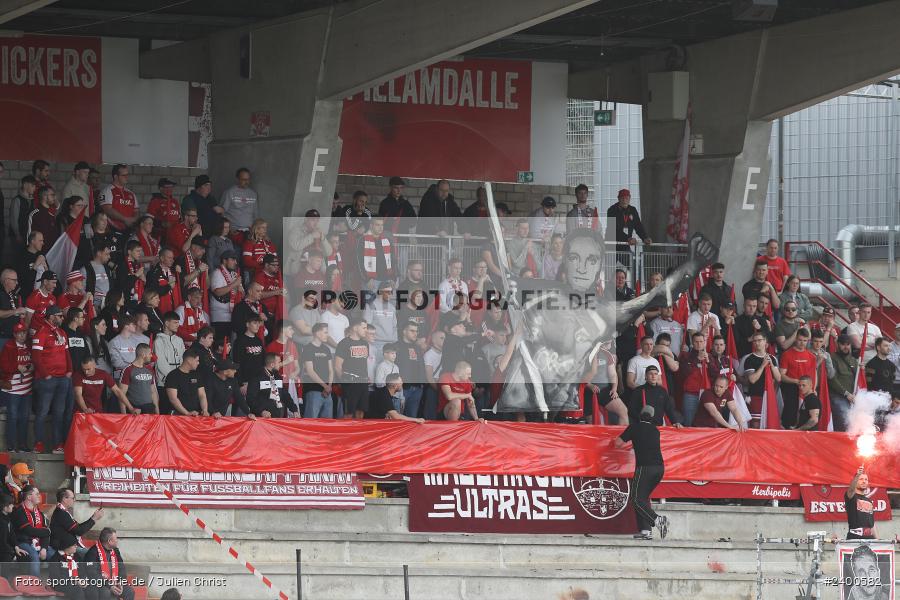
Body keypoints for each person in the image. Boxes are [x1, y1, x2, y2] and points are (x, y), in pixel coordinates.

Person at [614, 405, 668, 541]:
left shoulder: (634, 427)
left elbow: (617, 443)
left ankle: (658, 520)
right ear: (652, 418)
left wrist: (629, 444)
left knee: (636, 499)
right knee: (643, 498)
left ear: (640, 415)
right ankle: (645, 531)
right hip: (659, 469)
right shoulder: (656, 431)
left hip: (645, 467)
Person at [32, 305, 72, 453]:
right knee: (42, 412)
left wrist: (70, 370)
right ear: (51, 316)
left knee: (59, 413)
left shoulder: (62, 332)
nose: (62, 318)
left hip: (62, 378)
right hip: (46, 380)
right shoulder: (41, 333)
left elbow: (67, 354)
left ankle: (57, 444)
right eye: (59, 316)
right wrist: (46, 375)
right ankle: (39, 443)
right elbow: (36, 357)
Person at [0, 321, 32, 451]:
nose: (22, 335)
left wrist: (33, 366)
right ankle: (11, 445)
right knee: (12, 417)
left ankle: (23, 445)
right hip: (13, 389)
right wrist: (17, 367)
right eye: (19, 333)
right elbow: (3, 366)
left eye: (24, 333)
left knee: (24, 418)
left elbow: (36, 360)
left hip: (27, 388)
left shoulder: (29, 346)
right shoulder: (8, 346)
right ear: (14, 334)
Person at [779, 328, 817, 430]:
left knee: (806, 418)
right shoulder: (786, 354)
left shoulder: (811, 356)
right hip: (791, 390)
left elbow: (814, 375)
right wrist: (796, 381)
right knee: (790, 418)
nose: (802, 343)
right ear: (796, 339)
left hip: (807, 392)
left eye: (805, 341)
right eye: (800, 340)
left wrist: (813, 389)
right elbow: (781, 375)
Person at [12, 485, 54, 576]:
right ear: (29, 497)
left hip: (39, 543)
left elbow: (45, 534)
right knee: (34, 557)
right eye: (37, 494)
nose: (40, 496)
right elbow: (29, 531)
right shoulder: (19, 511)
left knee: (55, 556)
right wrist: (47, 531)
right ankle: (35, 586)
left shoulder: (39, 512)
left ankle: (55, 584)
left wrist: (44, 548)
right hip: (22, 543)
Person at [84, 527, 135, 600]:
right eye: (116, 539)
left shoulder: (115, 551)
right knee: (106, 592)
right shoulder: (92, 553)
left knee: (129, 591)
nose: (117, 541)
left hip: (115, 582)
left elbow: (121, 568)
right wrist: (109, 586)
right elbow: (92, 575)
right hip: (101, 584)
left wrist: (120, 582)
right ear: (109, 541)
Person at [51, 487, 102, 557]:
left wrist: (93, 518)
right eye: (72, 498)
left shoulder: (62, 511)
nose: (74, 500)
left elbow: (78, 527)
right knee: (94, 555)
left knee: (95, 553)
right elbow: (79, 531)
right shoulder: (61, 513)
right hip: (64, 548)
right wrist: (93, 519)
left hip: (70, 546)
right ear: (64, 499)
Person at [335, 318, 370, 419]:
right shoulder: (343, 343)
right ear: (355, 328)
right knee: (348, 413)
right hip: (350, 383)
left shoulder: (365, 343)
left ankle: (359, 433)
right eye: (364, 328)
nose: (366, 330)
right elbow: (337, 366)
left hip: (363, 382)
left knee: (361, 411)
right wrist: (344, 383)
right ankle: (346, 434)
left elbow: (364, 363)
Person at [246, 353, 298, 418]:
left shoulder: (278, 377)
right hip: (261, 419)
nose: (280, 364)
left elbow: (285, 395)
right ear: (272, 365)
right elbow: (250, 398)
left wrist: (294, 410)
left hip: (278, 418)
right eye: (279, 362)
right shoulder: (257, 377)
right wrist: (261, 411)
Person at [606, 188, 650, 265]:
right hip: (612, 246)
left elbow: (638, 226)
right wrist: (628, 238)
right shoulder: (612, 210)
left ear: (630, 198)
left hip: (625, 246)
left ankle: (636, 277)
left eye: (626, 198)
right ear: (618, 199)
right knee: (609, 270)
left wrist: (645, 237)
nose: (624, 200)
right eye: (622, 198)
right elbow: (613, 229)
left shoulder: (632, 210)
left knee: (634, 267)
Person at [302, 323, 334, 418]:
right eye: (325, 332)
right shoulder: (308, 348)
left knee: (327, 424)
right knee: (311, 422)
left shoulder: (326, 349)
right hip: (313, 390)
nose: (327, 335)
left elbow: (331, 370)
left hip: (327, 392)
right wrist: (325, 386)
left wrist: (329, 386)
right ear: (317, 333)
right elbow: (310, 371)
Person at [210, 249, 243, 340]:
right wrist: (234, 284)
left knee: (228, 347)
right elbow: (217, 292)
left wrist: (240, 290)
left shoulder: (234, 274)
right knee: (221, 346)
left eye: (236, 260)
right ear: (224, 260)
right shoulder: (217, 273)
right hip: (219, 317)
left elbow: (241, 295)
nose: (235, 262)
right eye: (232, 259)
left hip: (232, 315)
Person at [165, 348, 209, 417]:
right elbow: (173, 399)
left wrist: (205, 410)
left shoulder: (197, 375)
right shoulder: (172, 376)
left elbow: (202, 395)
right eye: (197, 360)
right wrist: (187, 413)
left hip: (195, 415)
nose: (198, 363)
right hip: (177, 415)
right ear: (189, 360)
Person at [830, 334, 860, 433]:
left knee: (853, 424)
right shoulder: (832, 358)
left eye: (848, 344)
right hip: (838, 396)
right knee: (842, 422)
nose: (846, 347)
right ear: (838, 344)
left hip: (852, 397)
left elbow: (858, 379)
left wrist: (862, 369)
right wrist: (846, 393)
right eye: (843, 344)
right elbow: (832, 380)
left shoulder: (854, 360)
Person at [678, 332, 709, 426]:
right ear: (692, 342)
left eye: (701, 341)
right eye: (696, 342)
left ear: (704, 342)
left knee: (706, 423)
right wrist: (697, 360)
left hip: (707, 394)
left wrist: (709, 361)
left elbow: (715, 374)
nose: (699, 344)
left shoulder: (709, 356)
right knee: (689, 422)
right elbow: (684, 373)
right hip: (691, 394)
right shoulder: (685, 356)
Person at [118, 344, 159, 415]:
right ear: (143, 354)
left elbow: (153, 391)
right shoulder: (128, 370)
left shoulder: (149, 369)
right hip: (135, 410)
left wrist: (157, 411)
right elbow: (121, 394)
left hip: (149, 408)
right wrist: (124, 415)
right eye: (150, 353)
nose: (151, 356)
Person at [99, 164, 138, 233]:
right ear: (116, 177)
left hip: (129, 230)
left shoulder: (131, 193)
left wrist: (134, 221)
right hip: (112, 231)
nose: (127, 177)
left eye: (127, 175)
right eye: (124, 175)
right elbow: (108, 210)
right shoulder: (107, 191)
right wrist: (125, 219)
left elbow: (136, 211)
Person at [220, 167, 258, 235]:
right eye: (244, 179)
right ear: (238, 179)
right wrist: (229, 229)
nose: (246, 182)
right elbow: (222, 213)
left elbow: (255, 214)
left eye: (248, 179)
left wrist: (256, 230)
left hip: (249, 231)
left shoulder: (253, 194)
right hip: (234, 231)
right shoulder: (229, 192)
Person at [146, 248, 182, 315]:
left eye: (173, 258)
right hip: (161, 312)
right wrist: (168, 287)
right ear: (162, 258)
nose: (172, 260)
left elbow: (181, 288)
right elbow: (152, 293)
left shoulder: (175, 272)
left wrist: (180, 274)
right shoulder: (153, 273)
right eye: (169, 258)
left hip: (175, 311)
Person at [155, 312, 185, 391]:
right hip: (164, 383)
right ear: (167, 323)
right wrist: (173, 379)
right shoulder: (158, 340)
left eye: (178, 322)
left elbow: (183, 360)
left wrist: (181, 376)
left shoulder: (179, 340)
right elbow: (161, 363)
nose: (178, 325)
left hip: (180, 381)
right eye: (175, 322)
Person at [232, 314, 266, 385]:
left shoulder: (259, 340)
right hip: (246, 381)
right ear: (247, 324)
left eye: (258, 323)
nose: (257, 326)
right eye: (254, 323)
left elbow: (263, 360)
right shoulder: (239, 341)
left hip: (260, 380)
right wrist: (241, 383)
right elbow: (237, 362)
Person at [81, 242, 113, 312]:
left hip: (107, 306)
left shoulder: (107, 269)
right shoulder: (85, 269)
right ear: (99, 253)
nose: (109, 257)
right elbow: (81, 289)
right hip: (94, 307)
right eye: (107, 254)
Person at [845, 467, 877, 540]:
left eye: (866, 479)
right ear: (856, 481)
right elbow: (851, 489)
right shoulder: (851, 496)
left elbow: (872, 524)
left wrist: (878, 541)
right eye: (861, 479)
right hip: (854, 537)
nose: (864, 481)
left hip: (869, 537)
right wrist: (857, 475)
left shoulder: (869, 501)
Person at [254, 254, 286, 321]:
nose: (277, 267)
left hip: (278, 313)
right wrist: (276, 292)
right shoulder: (261, 276)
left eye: (277, 265)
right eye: (274, 265)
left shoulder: (278, 277)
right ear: (266, 265)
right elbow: (257, 295)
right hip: (265, 314)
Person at [0, 493, 28, 571]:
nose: (13, 506)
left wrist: (16, 547)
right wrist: (13, 552)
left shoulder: (8, 517)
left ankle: (23, 580)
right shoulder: (1, 522)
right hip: (3, 550)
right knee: (7, 558)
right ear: (5, 507)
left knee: (24, 556)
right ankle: (4, 581)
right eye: (11, 504)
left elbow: (12, 534)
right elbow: (2, 542)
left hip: (8, 548)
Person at [10, 175, 37, 248]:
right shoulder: (17, 200)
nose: (34, 188)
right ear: (25, 185)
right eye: (32, 186)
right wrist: (17, 234)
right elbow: (14, 219)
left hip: (28, 235)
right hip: (18, 235)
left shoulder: (32, 201)